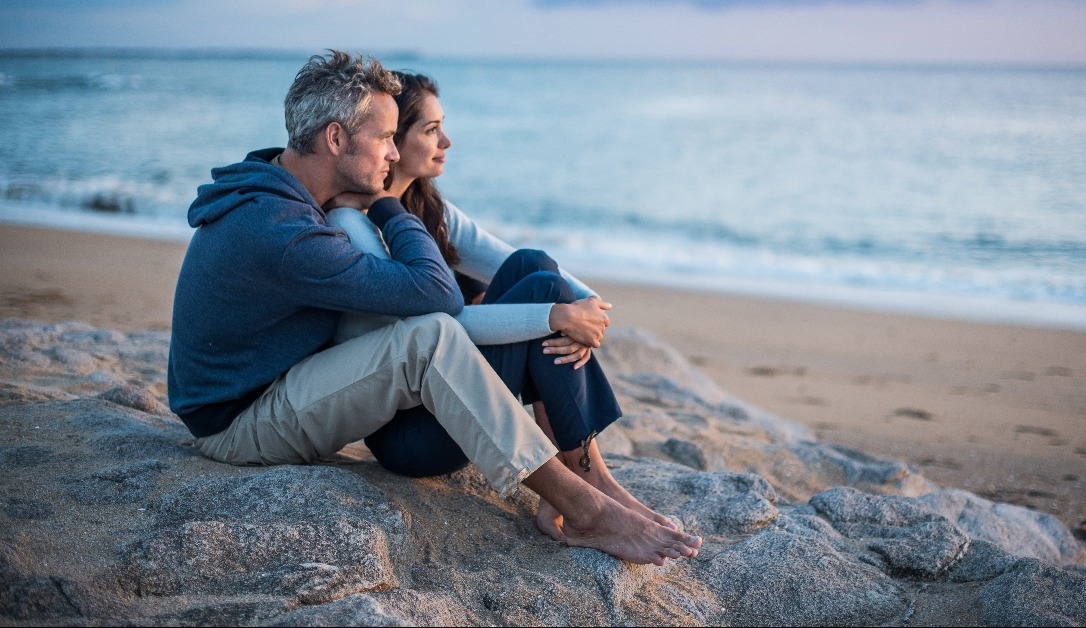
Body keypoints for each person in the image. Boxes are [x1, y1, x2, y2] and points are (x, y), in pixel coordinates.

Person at [166, 50, 701, 566]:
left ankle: (587, 481)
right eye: (382, 138)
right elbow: (438, 295)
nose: (395, 154)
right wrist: (387, 202)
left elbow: (464, 279)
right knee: (429, 339)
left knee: (525, 276)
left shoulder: (280, 192)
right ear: (334, 138)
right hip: (238, 423)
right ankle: (585, 507)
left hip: (268, 386)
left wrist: (567, 306)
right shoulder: (285, 231)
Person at [324, 70, 681, 541]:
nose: (446, 141)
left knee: (534, 267)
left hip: (456, 401)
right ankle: (583, 478)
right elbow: (433, 334)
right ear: (394, 141)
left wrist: (587, 312)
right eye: (429, 130)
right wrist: (556, 316)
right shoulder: (353, 225)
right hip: (409, 435)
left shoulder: (428, 209)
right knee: (542, 298)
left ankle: (580, 477)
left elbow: (522, 265)